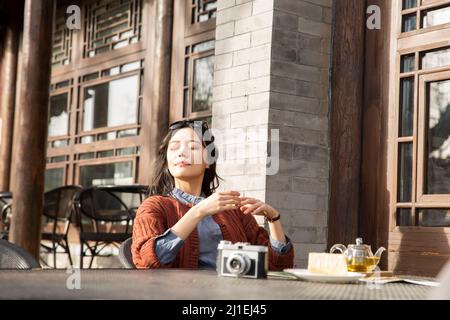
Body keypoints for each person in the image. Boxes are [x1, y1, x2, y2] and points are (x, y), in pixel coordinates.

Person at [132, 119, 294, 270]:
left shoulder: (233, 209)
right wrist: (198, 211)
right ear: (167, 162)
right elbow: (148, 262)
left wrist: (274, 219)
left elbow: (276, 266)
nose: (181, 153)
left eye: (193, 147)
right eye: (174, 148)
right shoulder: (154, 206)